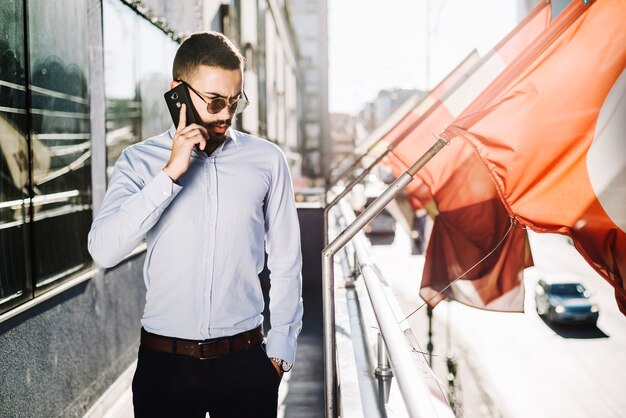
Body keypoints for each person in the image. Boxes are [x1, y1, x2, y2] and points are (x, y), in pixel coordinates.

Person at [88, 31, 303, 418]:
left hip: (246, 366)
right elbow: (103, 250)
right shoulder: (139, 162)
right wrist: (170, 173)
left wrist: (280, 351)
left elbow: (287, 259)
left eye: (235, 102)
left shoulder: (267, 161)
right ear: (178, 92)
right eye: (215, 101)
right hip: (164, 369)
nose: (225, 114)